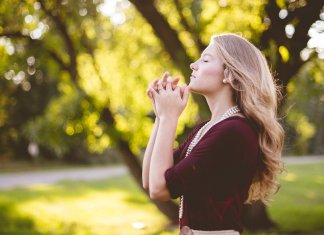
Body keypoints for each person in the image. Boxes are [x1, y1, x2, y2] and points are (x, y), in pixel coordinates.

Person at [142, 33, 284, 235]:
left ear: (229, 74)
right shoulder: (207, 128)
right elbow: (150, 179)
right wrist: (161, 115)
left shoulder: (233, 132)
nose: (193, 64)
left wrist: (169, 118)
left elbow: (160, 190)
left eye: (206, 59)